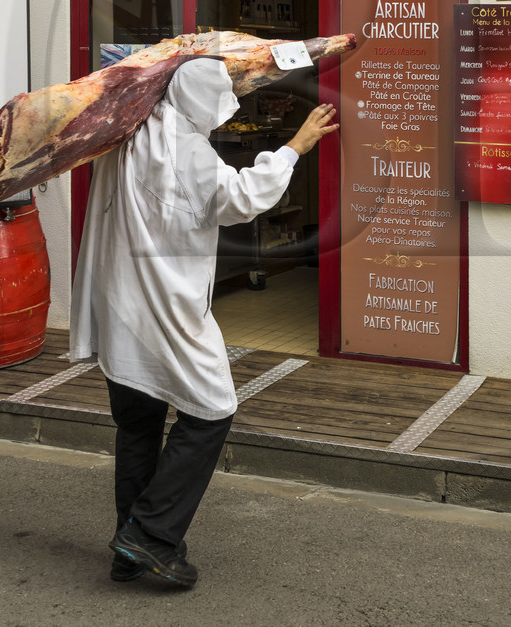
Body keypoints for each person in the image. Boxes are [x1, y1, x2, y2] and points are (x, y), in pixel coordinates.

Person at [69, 57, 338, 589]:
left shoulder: (128, 135)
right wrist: (295, 147)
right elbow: (239, 199)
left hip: (118, 302)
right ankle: (151, 534)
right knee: (213, 409)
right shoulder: (186, 149)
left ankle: (129, 548)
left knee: (138, 426)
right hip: (165, 306)